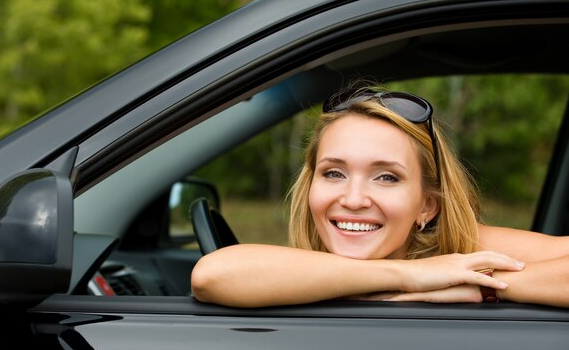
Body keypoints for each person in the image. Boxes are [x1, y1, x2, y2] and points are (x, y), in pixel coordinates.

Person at [190, 84, 569, 308]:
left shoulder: (462, 253)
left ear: (427, 205)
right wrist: (411, 276)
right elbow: (212, 275)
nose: (353, 199)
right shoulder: (297, 269)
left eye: (386, 177)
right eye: (334, 173)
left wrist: (480, 284)